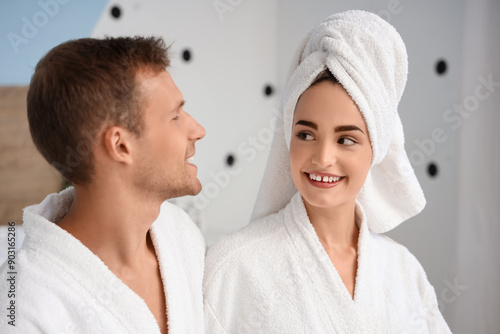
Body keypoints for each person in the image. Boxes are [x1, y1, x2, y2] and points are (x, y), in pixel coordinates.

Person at [203, 10, 451, 333]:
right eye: (305, 135)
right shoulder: (233, 266)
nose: (322, 157)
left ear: (375, 149)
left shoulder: (404, 271)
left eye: (346, 139)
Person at [0, 37, 206, 333]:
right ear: (121, 146)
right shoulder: (26, 308)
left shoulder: (180, 236)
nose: (198, 130)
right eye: (175, 116)